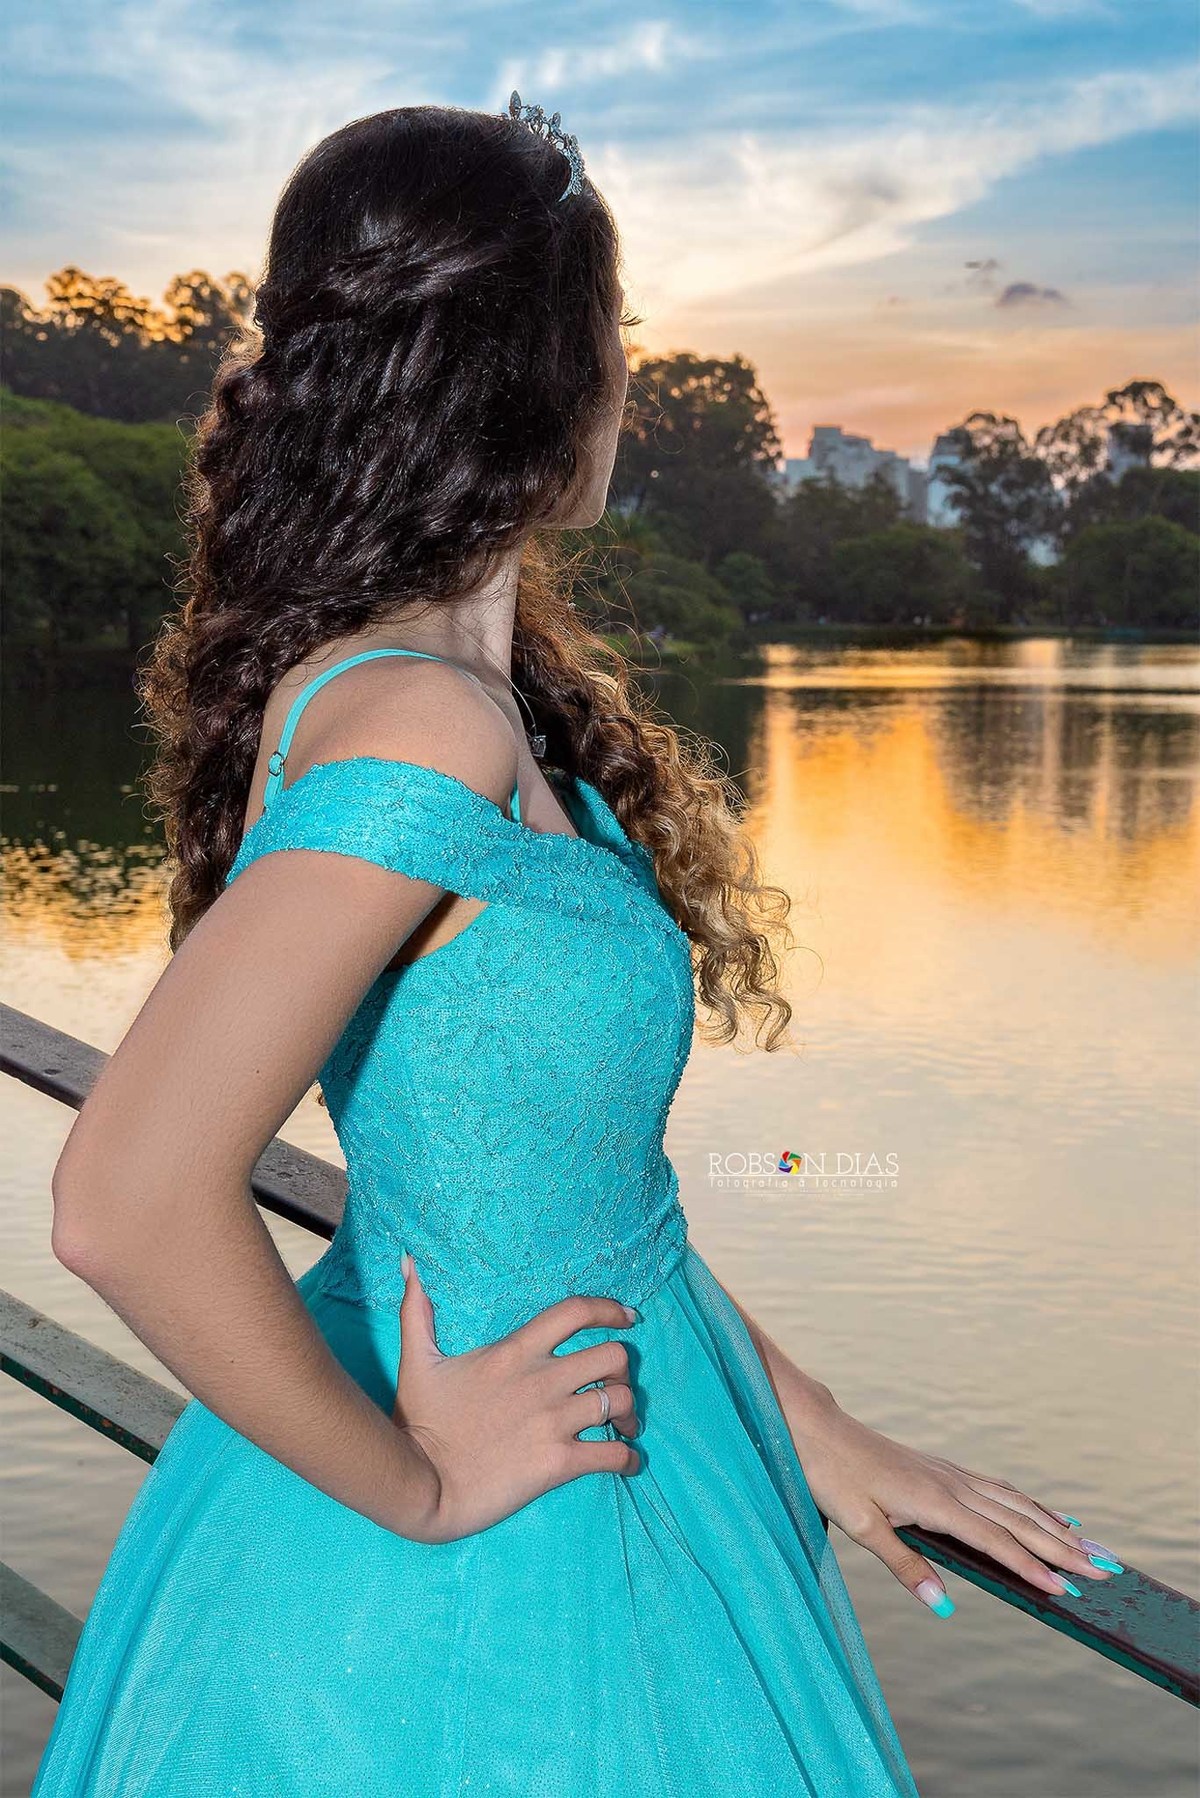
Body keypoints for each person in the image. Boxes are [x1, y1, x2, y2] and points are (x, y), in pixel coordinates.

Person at [34, 98, 1119, 1796]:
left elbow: (566, 1182)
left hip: (612, 1410)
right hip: (502, 1531)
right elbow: (122, 1197)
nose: (625, 369)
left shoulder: (430, 691)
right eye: (613, 330)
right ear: (554, 380)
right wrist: (422, 1483)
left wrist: (808, 1416)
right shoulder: (419, 728)